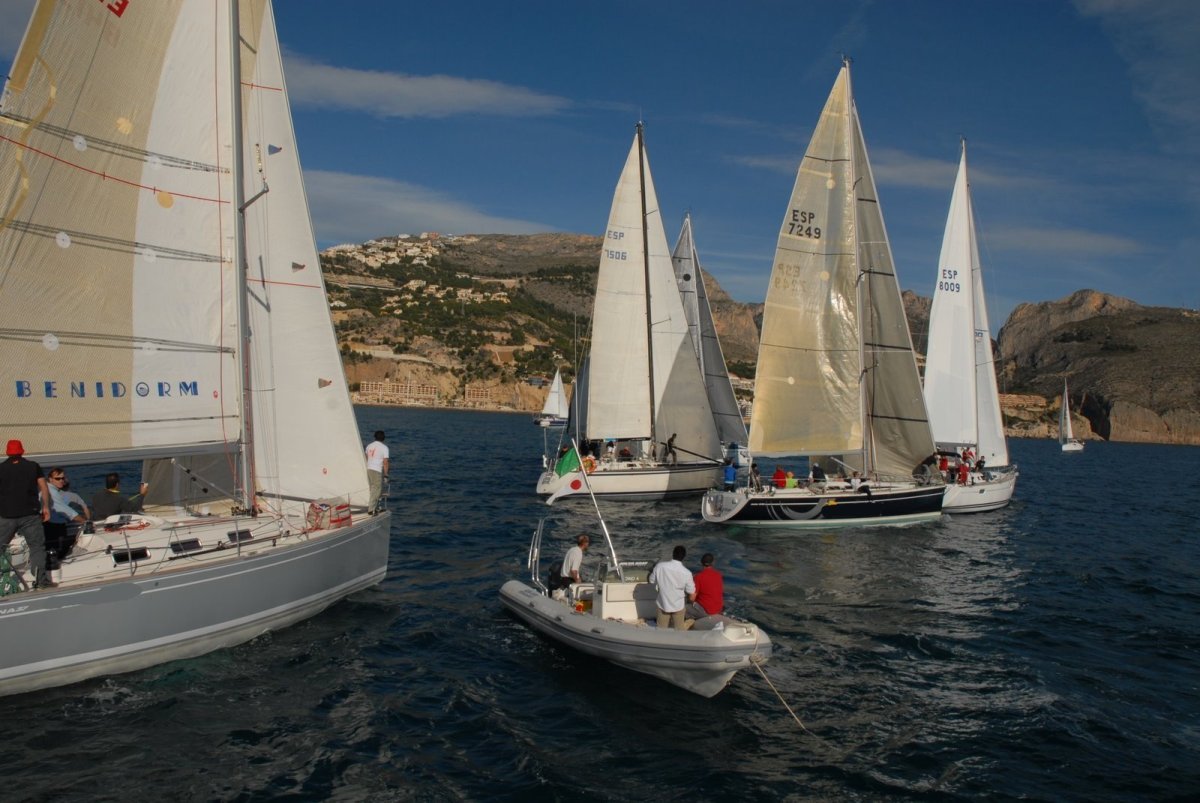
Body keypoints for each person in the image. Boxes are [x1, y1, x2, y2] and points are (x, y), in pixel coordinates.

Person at [0, 439, 53, 589]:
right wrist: (46, 508)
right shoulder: (33, 466)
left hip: (6, 515)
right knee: (36, 547)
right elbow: (43, 488)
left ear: (7, 452)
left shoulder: (1, 468)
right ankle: (40, 582)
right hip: (30, 515)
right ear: (22, 451)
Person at [44, 467, 88, 568]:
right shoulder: (53, 493)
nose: (61, 480)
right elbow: (68, 512)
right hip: (54, 528)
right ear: (50, 479)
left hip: (52, 526)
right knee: (57, 552)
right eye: (58, 478)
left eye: (63, 478)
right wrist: (86, 521)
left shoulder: (47, 489)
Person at [649, 545, 695, 630]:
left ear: (673, 554)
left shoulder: (660, 566)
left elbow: (651, 581)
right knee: (679, 631)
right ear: (683, 557)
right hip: (678, 606)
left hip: (663, 604)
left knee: (661, 630)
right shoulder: (687, 573)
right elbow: (691, 591)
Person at [687, 553, 724, 619]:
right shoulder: (718, 575)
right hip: (718, 610)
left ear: (701, 562)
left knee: (682, 608)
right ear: (713, 563)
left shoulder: (698, 577)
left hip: (707, 612)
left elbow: (691, 598)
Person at [365, 430, 389, 514]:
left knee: (373, 488)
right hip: (377, 470)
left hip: (369, 469)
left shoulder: (369, 446)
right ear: (383, 438)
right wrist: (386, 475)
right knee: (377, 489)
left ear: (375, 437)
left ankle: (376, 507)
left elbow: (367, 458)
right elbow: (385, 462)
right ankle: (371, 509)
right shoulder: (384, 448)